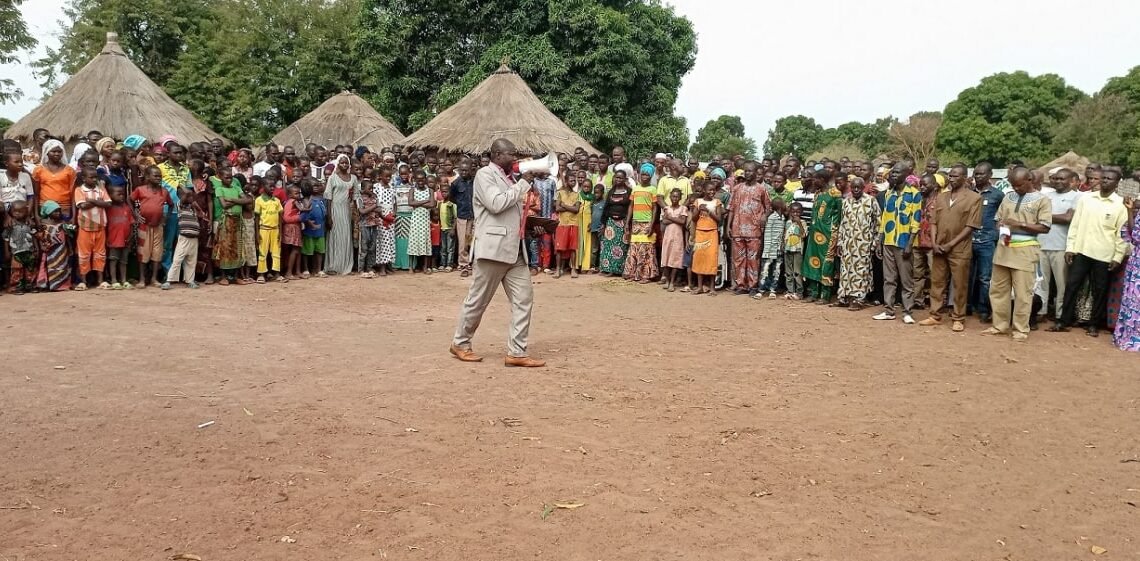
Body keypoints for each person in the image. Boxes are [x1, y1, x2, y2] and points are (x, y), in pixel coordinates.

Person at [450, 138, 545, 367]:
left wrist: (531, 226)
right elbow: (495, 203)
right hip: (493, 250)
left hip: (515, 250)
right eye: (510, 154)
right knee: (478, 300)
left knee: (524, 299)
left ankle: (517, 352)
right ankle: (460, 343)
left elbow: (510, 213)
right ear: (496, 155)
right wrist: (522, 185)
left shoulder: (509, 178)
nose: (515, 158)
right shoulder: (485, 175)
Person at [1048, 168, 1128, 337]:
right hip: (1082, 250)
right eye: (1103, 178)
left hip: (1105, 254)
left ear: (1117, 183)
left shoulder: (1120, 205)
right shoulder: (1086, 198)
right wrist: (1071, 247)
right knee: (1072, 286)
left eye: (1109, 179)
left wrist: (1118, 256)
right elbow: (1075, 224)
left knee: (1100, 290)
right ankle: (1064, 321)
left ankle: (1093, 324)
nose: (1105, 181)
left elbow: (1121, 234)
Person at [984, 167, 1051, 341]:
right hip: (1004, 247)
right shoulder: (1008, 197)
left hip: (1025, 249)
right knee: (998, 289)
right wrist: (1001, 226)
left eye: (1019, 185)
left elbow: (1044, 227)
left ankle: (1021, 329)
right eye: (1013, 185)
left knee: (1023, 293)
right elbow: (997, 220)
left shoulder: (1042, 200)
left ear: (1030, 180)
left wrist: (1019, 224)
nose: (1015, 188)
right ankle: (999, 325)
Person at [919, 164, 981, 331]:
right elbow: (933, 222)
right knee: (937, 282)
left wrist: (950, 244)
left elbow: (971, 226)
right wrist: (934, 243)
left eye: (955, 176)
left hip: (959, 248)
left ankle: (958, 318)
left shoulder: (974, 198)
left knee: (959, 284)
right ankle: (935, 315)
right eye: (950, 176)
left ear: (965, 178)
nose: (951, 178)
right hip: (939, 247)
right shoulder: (941, 197)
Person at [873, 164, 922, 323]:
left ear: (906, 174)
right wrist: (879, 241)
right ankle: (889, 310)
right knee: (889, 278)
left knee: (906, 279)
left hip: (904, 242)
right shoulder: (888, 193)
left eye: (896, 172)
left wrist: (909, 244)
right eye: (892, 172)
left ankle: (907, 311)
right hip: (888, 241)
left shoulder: (914, 194)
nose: (893, 174)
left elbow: (916, 221)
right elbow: (884, 218)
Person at [1038, 169, 1082, 320]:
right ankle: (1041, 311)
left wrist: (1044, 217)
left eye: (1062, 179)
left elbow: (1068, 218)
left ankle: (1060, 315)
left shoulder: (1077, 197)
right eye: (1055, 178)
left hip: (1061, 246)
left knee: (1062, 284)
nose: (1057, 181)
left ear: (1071, 180)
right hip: (1042, 244)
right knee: (1041, 283)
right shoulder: (1046, 195)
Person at [834, 177, 880, 310]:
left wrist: (875, 242)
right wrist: (840, 242)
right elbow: (842, 223)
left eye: (858, 187)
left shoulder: (871, 201)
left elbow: (878, 222)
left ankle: (859, 299)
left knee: (861, 271)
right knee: (845, 270)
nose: (855, 190)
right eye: (853, 187)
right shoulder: (846, 201)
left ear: (863, 187)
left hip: (864, 243)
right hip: (847, 243)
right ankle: (844, 297)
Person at [728, 161, 772, 295]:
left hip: (754, 231)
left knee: (753, 260)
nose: (747, 173)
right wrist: (729, 226)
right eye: (745, 171)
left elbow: (768, 207)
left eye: (750, 171)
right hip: (737, 229)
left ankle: (753, 286)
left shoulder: (761, 189)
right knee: (739, 259)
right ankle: (741, 285)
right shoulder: (737, 188)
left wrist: (764, 217)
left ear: (756, 172)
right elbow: (731, 208)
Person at [970, 162, 1005, 323]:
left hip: (987, 240)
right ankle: (967, 306)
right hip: (968, 239)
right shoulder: (969, 193)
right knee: (967, 275)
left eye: (981, 174)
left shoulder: (997, 195)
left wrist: (996, 234)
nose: (977, 177)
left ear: (990, 175)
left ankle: (984, 309)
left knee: (985, 277)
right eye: (976, 174)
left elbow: (1002, 217)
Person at [802, 169, 842, 303]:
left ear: (822, 180)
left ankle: (825, 295)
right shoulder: (817, 193)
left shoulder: (835, 193)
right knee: (813, 261)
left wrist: (836, 233)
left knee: (826, 262)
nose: (813, 181)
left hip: (828, 234)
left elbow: (839, 216)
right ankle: (813, 293)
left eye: (816, 179)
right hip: (814, 233)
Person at [132, 166, 173, 288]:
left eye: (160, 176)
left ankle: (154, 278)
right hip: (144, 226)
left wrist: (166, 218)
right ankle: (142, 279)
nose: (158, 178)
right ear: (148, 177)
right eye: (155, 176)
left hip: (158, 226)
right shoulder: (140, 190)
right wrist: (136, 214)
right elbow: (130, 200)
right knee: (143, 253)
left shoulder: (164, 191)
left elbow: (171, 205)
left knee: (157, 253)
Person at [72, 167, 111, 290]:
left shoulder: (101, 189)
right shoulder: (79, 190)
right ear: (83, 178)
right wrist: (98, 202)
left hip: (100, 227)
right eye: (91, 177)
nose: (94, 179)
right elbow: (82, 205)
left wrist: (92, 201)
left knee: (100, 254)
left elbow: (108, 203)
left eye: (96, 177)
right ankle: (83, 281)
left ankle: (100, 280)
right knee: (84, 255)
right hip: (85, 227)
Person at [213, 166, 251, 284]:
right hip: (227, 220)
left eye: (231, 177)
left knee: (238, 248)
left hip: (238, 220)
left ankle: (235, 276)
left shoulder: (236, 187)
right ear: (221, 177)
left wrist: (232, 200)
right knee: (225, 248)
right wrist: (238, 201)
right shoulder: (219, 189)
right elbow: (224, 205)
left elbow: (247, 200)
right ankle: (224, 276)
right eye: (227, 178)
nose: (230, 180)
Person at [623, 164, 658, 283]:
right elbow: (631, 206)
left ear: (650, 176)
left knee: (646, 250)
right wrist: (628, 222)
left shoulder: (653, 189)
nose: (644, 177)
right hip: (635, 222)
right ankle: (633, 273)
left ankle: (645, 275)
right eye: (643, 174)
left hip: (647, 222)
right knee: (634, 248)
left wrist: (651, 225)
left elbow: (654, 208)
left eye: (647, 175)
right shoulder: (635, 188)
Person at [322, 154, 357, 275]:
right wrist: (329, 217)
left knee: (346, 237)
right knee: (335, 238)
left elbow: (356, 196)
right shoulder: (333, 178)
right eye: (342, 163)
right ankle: (333, 266)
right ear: (338, 164)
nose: (345, 165)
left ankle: (346, 266)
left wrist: (355, 212)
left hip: (347, 210)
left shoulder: (353, 178)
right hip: (335, 209)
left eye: (346, 162)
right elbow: (328, 198)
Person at [163, 188, 202, 290]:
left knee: (191, 261)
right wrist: (182, 188)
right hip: (184, 238)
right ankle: (169, 280)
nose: (191, 198)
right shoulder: (180, 206)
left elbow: (199, 214)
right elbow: (185, 196)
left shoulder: (192, 208)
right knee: (177, 260)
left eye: (192, 197)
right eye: (188, 196)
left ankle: (190, 280)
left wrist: (195, 205)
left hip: (194, 238)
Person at [1113, 196, 1139, 351]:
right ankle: (1130, 336)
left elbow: (1136, 235)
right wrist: (1130, 211)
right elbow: (1130, 234)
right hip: (1137, 262)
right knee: (1133, 299)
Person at [912, 173, 942, 308]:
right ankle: (917, 300)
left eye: (925, 185)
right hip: (918, 241)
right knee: (917, 273)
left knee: (934, 274)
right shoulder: (917, 199)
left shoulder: (940, 201)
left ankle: (936, 301)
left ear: (934, 186)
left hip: (932, 242)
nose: (922, 187)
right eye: (921, 185)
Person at [691, 181, 722, 295]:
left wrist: (709, 211)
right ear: (704, 190)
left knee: (711, 258)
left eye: (713, 190)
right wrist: (699, 209)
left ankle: (712, 287)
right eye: (709, 190)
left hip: (712, 233)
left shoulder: (717, 202)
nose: (712, 192)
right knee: (700, 258)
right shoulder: (698, 201)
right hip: (700, 232)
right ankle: (699, 287)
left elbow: (719, 219)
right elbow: (694, 219)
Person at [598, 171, 632, 276]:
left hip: (623, 222)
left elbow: (630, 207)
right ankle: (609, 269)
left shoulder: (629, 191)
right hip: (611, 223)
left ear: (625, 179)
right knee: (608, 246)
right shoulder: (611, 191)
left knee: (622, 246)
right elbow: (606, 208)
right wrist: (603, 224)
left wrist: (628, 222)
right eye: (617, 177)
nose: (618, 180)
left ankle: (619, 270)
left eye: (621, 178)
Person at [36, 200, 73, 291]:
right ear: (48, 212)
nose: (58, 213)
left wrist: (70, 248)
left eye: (59, 211)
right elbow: (39, 236)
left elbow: (68, 235)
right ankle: (47, 285)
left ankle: (60, 285)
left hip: (61, 250)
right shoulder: (43, 223)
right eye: (55, 211)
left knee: (61, 266)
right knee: (47, 267)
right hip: (48, 249)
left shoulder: (62, 223)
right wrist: (41, 246)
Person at [32, 140, 73, 220]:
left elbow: (73, 195)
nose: (57, 154)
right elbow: (36, 194)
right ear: (47, 152)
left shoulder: (70, 171)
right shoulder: (38, 170)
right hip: (45, 207)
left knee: (63, 231)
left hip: (64, 207)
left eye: (59, 151)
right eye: (53, 151)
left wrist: (73, 217)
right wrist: (36, 215)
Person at [755, 198, 787, 299]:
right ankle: (761, 290)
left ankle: (773, 290)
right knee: (765, 271)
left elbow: (782, 234)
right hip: (769, 250)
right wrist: (766, 249)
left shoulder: (782, 218)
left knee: (776, 271)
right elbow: (767, 233)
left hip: (778, 250)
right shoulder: (772, 218)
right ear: (780, 206)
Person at [254, 181, 285, 283]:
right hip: (264, 229)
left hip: (275, 230)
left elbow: (280, 216)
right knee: (263, 252)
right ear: (263, 186)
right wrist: (257, 233)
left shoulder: (276, 200)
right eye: (270, 186)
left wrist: (280, 231)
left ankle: (276, 273)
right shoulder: (259, 200)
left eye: (274, 186)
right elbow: (257, 218)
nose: (272, 188)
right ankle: (261, 274)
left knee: (276, 252)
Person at [3, 200, 36, 293]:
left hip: (29, 250)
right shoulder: (10, 224)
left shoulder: (29, 223)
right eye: (15, 211)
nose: (17, 213)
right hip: (16, 252)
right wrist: (7, 251)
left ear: (26, 211)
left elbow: (34, 236)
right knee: (17, 270)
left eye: (20, 211)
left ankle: (30, 285)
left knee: (30, 268)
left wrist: (36, 248)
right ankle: (16, 287)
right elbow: (5, 238)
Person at [406, 169, 436, 274]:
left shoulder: (430, 191)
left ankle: (424, 267)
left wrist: (417, 203)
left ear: (426, 179)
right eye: (418, 180)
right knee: (413, 242)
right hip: (415, 220)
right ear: (415, 180)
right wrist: (425, 201)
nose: (421, 182)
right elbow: (410, 202)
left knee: (425, 242)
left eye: (422, 179)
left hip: (425, 219)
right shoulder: (412, 190)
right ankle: (411, 267)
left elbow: (432, 204)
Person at [104, 185, 133, 289]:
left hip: (125, 240)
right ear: (110, 195)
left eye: (123, 194)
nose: (122, 196)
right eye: (119, 194)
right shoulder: (108, 209)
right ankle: (114, 280)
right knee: (113, 260)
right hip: (113, 240)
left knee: (124, 261)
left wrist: (130, 238)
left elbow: (131, 224)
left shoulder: (127, 208)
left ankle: (124, 280)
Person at [660, 187, 688, 292]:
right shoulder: (666, 208)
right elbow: (664, 221)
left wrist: (670, 218)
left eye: (677, 196)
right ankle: (667, 280)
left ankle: (672, 282)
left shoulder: (683, 208)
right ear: (670, 197)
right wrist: (676, 219)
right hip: (668, 236)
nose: (675, 198)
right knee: (667, 258)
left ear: (680, 198)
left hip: (677, 237)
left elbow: (682, 222)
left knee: (675, 259)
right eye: (673, 196)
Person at [554, 173, 581, 278]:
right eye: (571, 180)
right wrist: (571, 207)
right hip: (562, 224)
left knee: (573, 248)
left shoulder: (577, 194)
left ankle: (573, 269)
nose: (573, 182)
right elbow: (557, 208)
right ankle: (558, 269)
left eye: (575, 181)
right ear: (565, 181)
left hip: (574, 224)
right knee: (559, 248)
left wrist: (564, 205)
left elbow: (577, 210)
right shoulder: (559, 193)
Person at [300, 178, 327, 278]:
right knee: (307, 251)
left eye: (317, 185)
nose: (315, 187)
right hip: (309, 231)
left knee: (320, 250)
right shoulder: (306, 200)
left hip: (320, 230)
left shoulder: (321, 200)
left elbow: (324, 213)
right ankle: (306, 269)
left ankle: (319, 269)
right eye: (313, 185)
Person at [374, 168, 397, 276]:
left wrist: (394, 214)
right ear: (380, 176)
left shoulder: (392, 188)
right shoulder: (376, 187)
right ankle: (381, 267)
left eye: (389, 176)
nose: (388, 178)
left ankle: (388, 264)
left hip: (390, 217)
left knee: (390, 241)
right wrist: (382, 216)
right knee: (383, 242)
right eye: (386, 176)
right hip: (381, 217)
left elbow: (394, 202)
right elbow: (375, 203)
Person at [282, 185, 304, 280]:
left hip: (294, 227)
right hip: (293, 227)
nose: (299, 195)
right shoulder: (294, 201)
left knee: (297, 249)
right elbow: (302, 210)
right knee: (295, 249)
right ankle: (289, 272)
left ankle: (297, 271)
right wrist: (307, 208)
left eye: (299, 192)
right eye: (296, 193)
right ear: (290, 194)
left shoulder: (287, 202)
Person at [439, 189, 457, 272]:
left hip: (449, 229)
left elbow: (455, 218)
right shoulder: (439, 204)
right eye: (443, 191)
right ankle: (443, 264)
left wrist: (453, 229)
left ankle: (449, 264)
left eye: (446, 191)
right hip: (442, 229)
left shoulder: (452, 205)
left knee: (450, 248)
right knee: (443, 248)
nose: (444, 193)